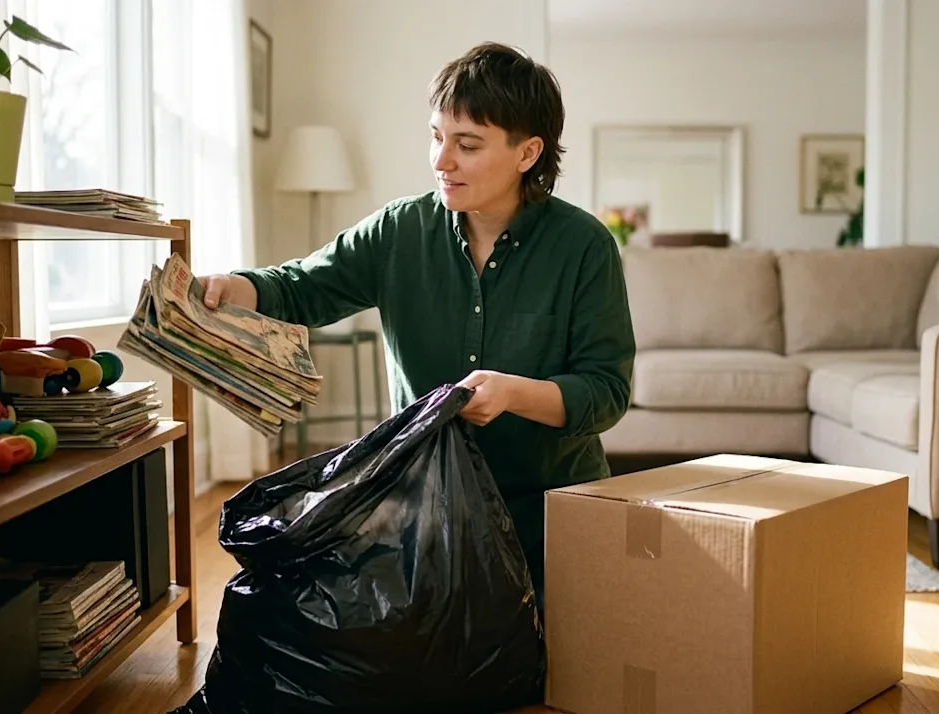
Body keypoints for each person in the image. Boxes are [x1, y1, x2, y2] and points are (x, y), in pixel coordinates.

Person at [198, 41, 635, 612]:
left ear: (528, 153)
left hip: (550, 510)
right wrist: (236, 288)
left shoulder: (584, 246)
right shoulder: (399, 231)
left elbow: (607, 392)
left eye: (467, 145)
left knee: (546, 670)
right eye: (437, 137)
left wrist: (512, 394)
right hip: (424, 508)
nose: (441, 161)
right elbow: (302, 286)